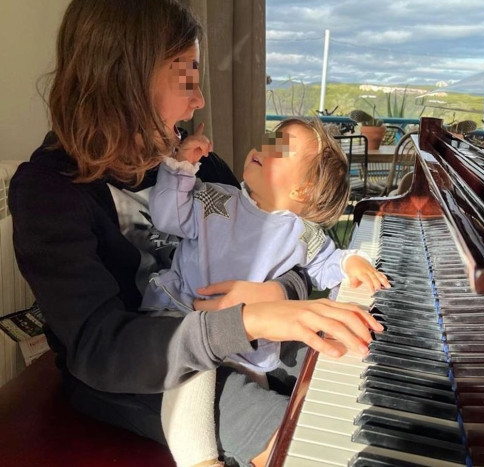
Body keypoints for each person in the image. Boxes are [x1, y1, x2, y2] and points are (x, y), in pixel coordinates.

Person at [7, 2, 383, 467]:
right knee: (297, 437)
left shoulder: (191, 158)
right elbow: (98, 346)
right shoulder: (49, 190)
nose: (199, 98)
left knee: (339, 379)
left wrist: (277, 290)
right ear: (125, 78)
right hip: (142, 372)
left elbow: (274, 245)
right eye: (184, 76)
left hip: (231, 341)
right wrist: (249, 320)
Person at [142, 117, 390, 466]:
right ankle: (199, 459)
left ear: (301, 190)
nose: (264, 148)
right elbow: (167, 216)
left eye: (281, 149)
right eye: (270, 141)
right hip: (187, 318)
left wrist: (352, 263)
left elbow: (328, 264)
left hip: (250, 344)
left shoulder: (301, 233)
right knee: (189, 376)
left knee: (312, 371)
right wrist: (181, 166)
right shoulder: (216, 199)